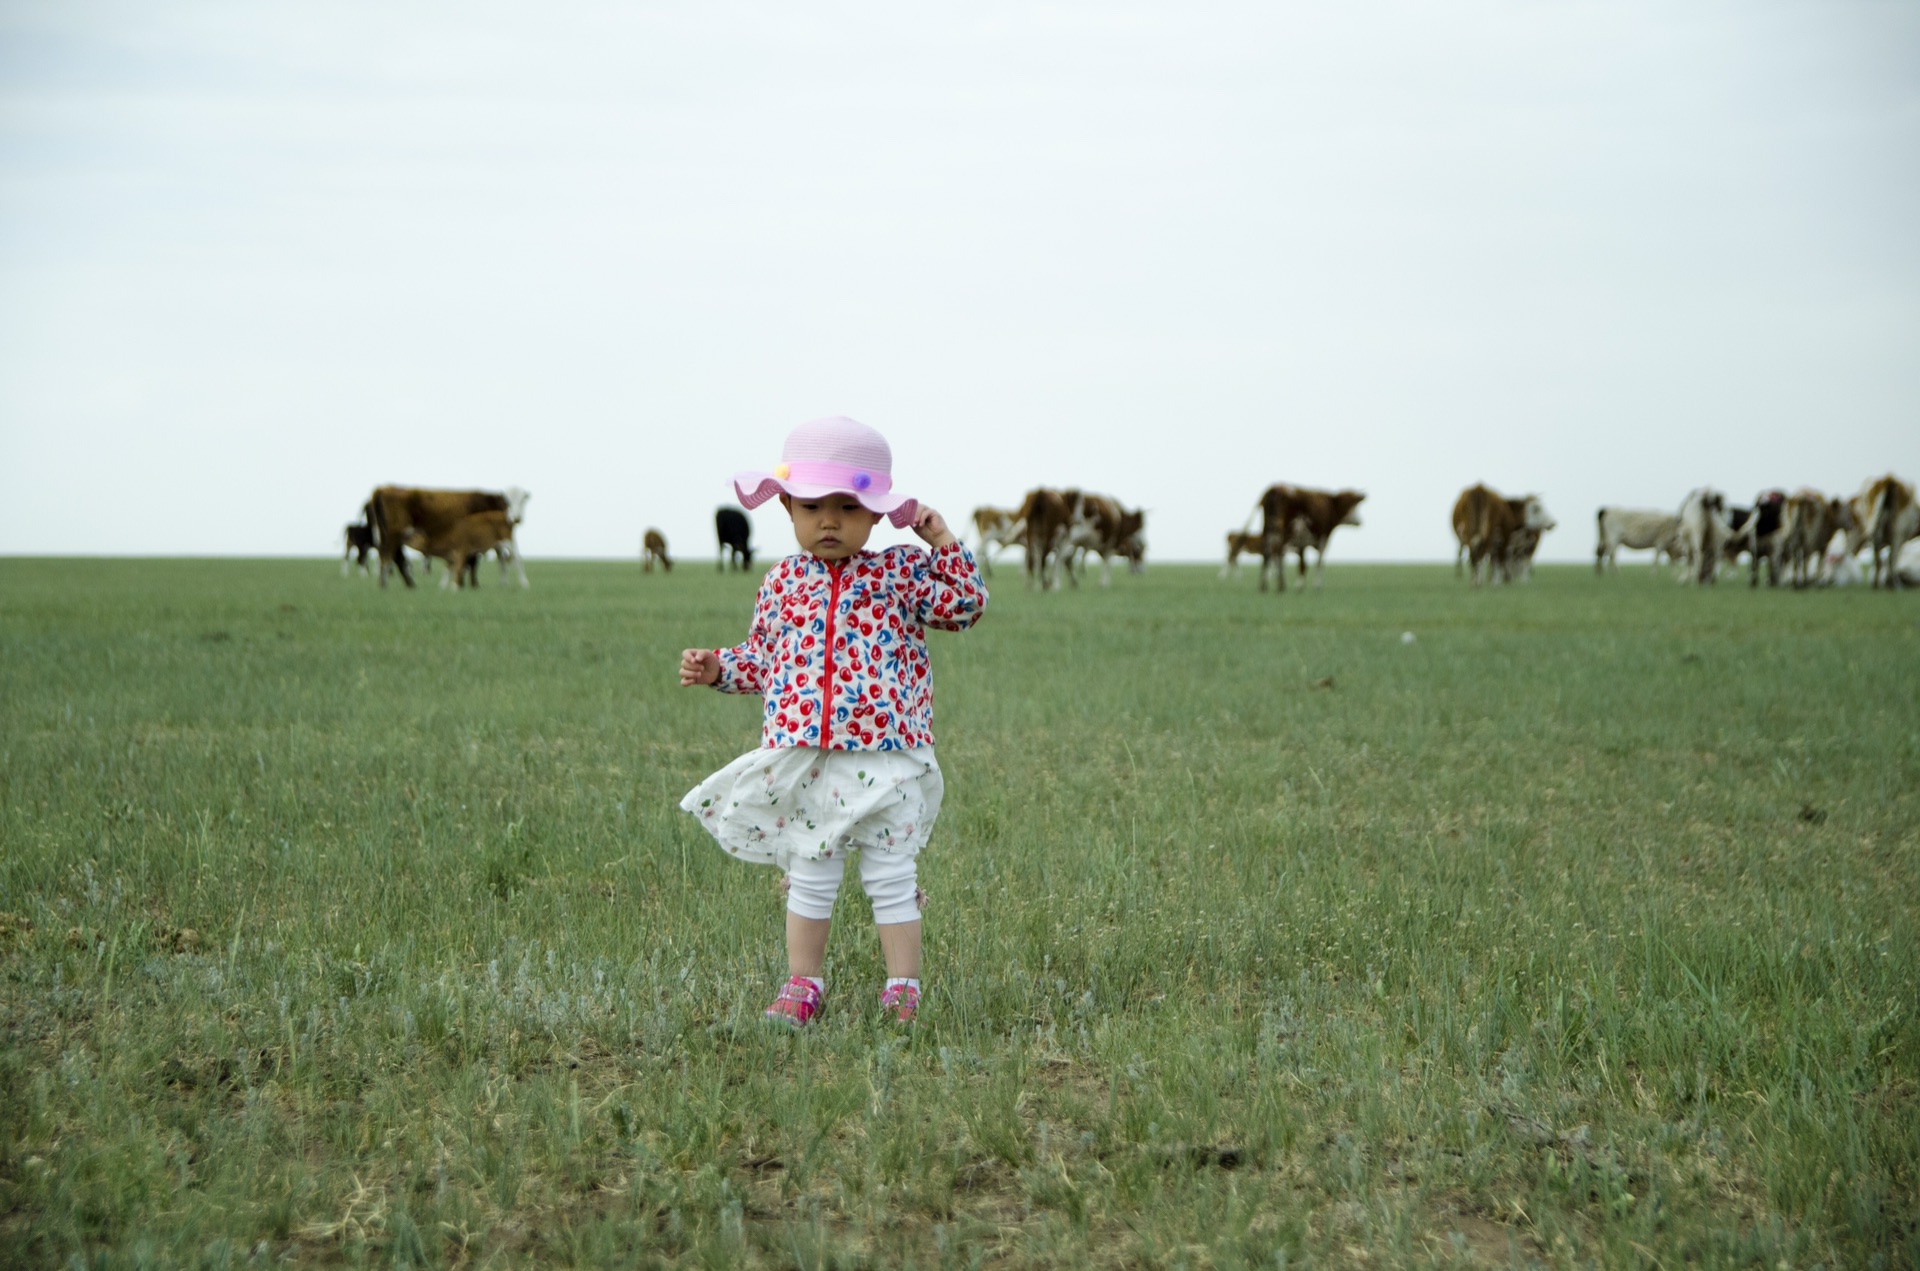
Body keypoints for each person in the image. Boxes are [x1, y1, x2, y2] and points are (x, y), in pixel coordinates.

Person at [677, 416, 988, 1027]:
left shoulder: (898, 573)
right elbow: (764, 662)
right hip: (806, 760)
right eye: (813, 506)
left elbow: (964, 606)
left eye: (848, 507)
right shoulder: (781, 583)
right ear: (788, 508)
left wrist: (942, 541)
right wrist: (718, 668)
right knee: (810, 875)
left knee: (892, 876)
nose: (829, 520)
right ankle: (803, 983)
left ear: (875, 515)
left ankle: (903, 989)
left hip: (886, 758)